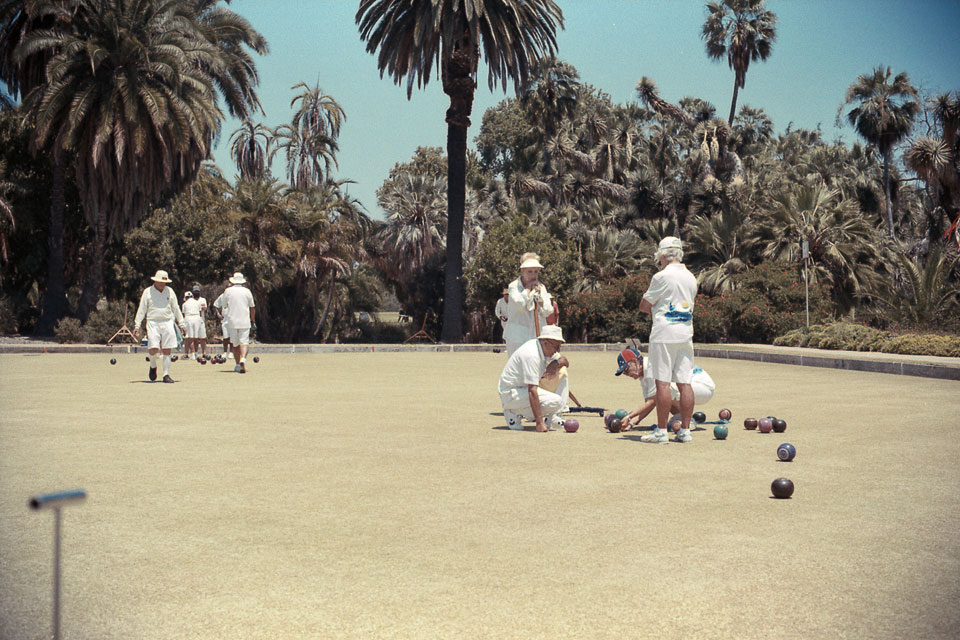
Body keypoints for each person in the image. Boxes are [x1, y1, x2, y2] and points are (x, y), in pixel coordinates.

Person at [637, 236, 698, 443]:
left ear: (663, 254)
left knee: (662, 383)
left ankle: (662, 431)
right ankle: (686, 431)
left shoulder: (661, 277)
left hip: (664, 334)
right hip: (685, 333)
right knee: (685, 383)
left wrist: (657, 307)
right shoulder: (691, 277)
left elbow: (644, 306)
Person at [613, 348, 715, 430]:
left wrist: (629, 416)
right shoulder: (643, 375)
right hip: (692, 388)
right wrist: (631, 423)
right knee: (663, 397)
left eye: (626, 370)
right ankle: (684, 417)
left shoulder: (652, 366)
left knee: (664, 390)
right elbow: (649, 404)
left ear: (635, 362)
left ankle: (686, 421)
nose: (626, 374)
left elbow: (653, 400)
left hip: (703, 387)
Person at [498, 325, 567, 432]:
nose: (558, 351)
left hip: (524, 389)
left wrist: (556, 362)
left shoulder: (544, 348)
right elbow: (532, 391)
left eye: (560, 347)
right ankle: (513, 411)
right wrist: (539, 423)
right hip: (511, 393)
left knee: (563, 371)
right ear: (545, 343)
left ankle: (552, 417)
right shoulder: (531, 355)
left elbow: (566, 361)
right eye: (556, 347)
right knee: (556, 401)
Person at [133, 270, 186, 383]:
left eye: (164, 282)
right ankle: (153, 366)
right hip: (153, 322)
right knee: (153, 349)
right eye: (160, 282)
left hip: (167, 322)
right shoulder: (147, 292)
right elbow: (142, 309)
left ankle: (166, 375)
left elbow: (176, 308)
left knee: (167, 349)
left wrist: (182, 324)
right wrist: (137, 325)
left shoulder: (170, 292)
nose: (162, 284)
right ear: (155, 281)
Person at [503, 252, 554, 356]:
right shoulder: (514, 287)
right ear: (522, 271)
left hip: (536, 334)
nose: (533, 275)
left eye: (536, 272)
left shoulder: (541, 287)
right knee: (517, 366)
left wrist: (541, 301)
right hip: (517, 336)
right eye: (530, 272)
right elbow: (520, 304)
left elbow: (548, 311)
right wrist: (527, 290)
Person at [218, 272, 256, 373]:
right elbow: (252, 307)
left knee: (235, 344)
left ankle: (237, 364)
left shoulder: (228, 291)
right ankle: (243, 358)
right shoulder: (247, 291)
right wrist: (253, 320)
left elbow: (224, 305)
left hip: (232, 321)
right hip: (244, 321)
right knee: (244, 342)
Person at [181, 291, 202, 359]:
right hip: (197, 318)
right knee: (196, 337)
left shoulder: (185, 304)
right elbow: (200, 312)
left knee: (189, 337)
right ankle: (195, 353)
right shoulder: (197, 302)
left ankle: (192, 354)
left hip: (188, 318)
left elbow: (184, 314)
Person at [192, 285, 208, 358]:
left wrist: (198, 308)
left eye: (197, 291)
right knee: (195, 338)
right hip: (193, 321)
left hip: (201, 321)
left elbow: (204, 308)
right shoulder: (191, 300)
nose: (196, 293)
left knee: (202, 338)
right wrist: (199, 308)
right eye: (195, 291)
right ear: (193, 292)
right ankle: (195, 353)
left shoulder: (203, 299)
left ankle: (204, 353)